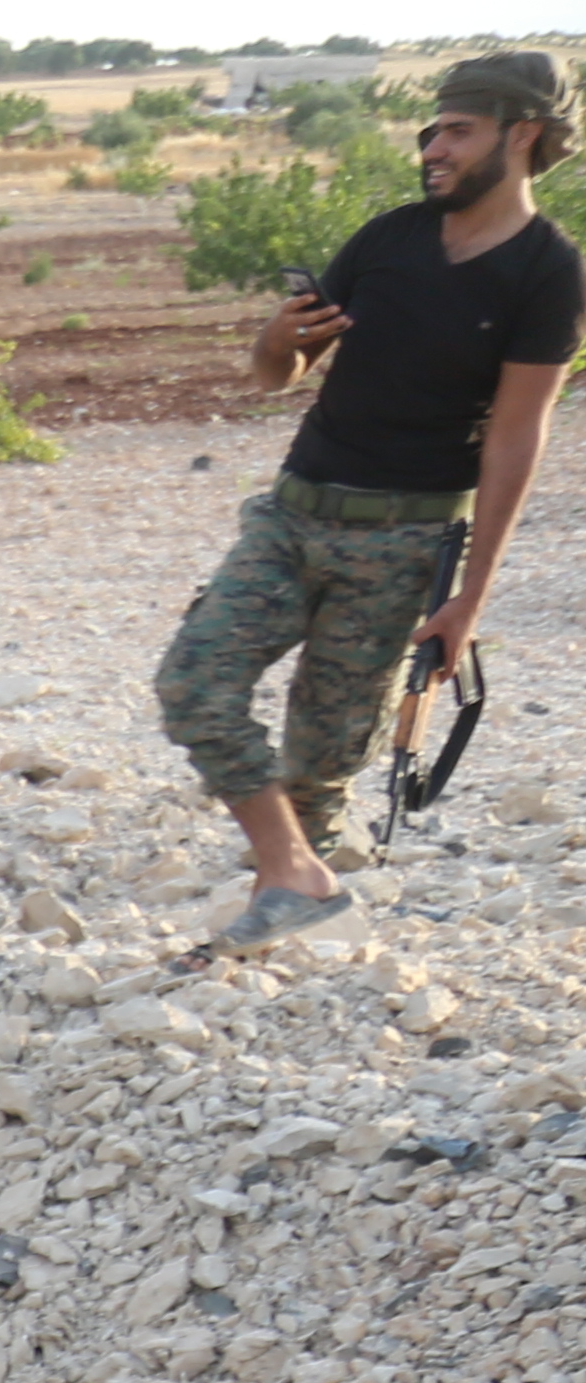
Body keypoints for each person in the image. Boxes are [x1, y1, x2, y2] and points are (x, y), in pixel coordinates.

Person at [152, 48, 576, 940]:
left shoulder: (549, 273)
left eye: (458, 131)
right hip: (293, 515)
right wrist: (276, 337)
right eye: (433, 132)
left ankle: (296, 904)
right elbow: (279, 372)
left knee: (327, 755)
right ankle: (291, 874)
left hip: (408, 542)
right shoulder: (388, 238)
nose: (435, 148)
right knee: (194, 682)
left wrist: (473, 594)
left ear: (522, 133)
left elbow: (516, 432)